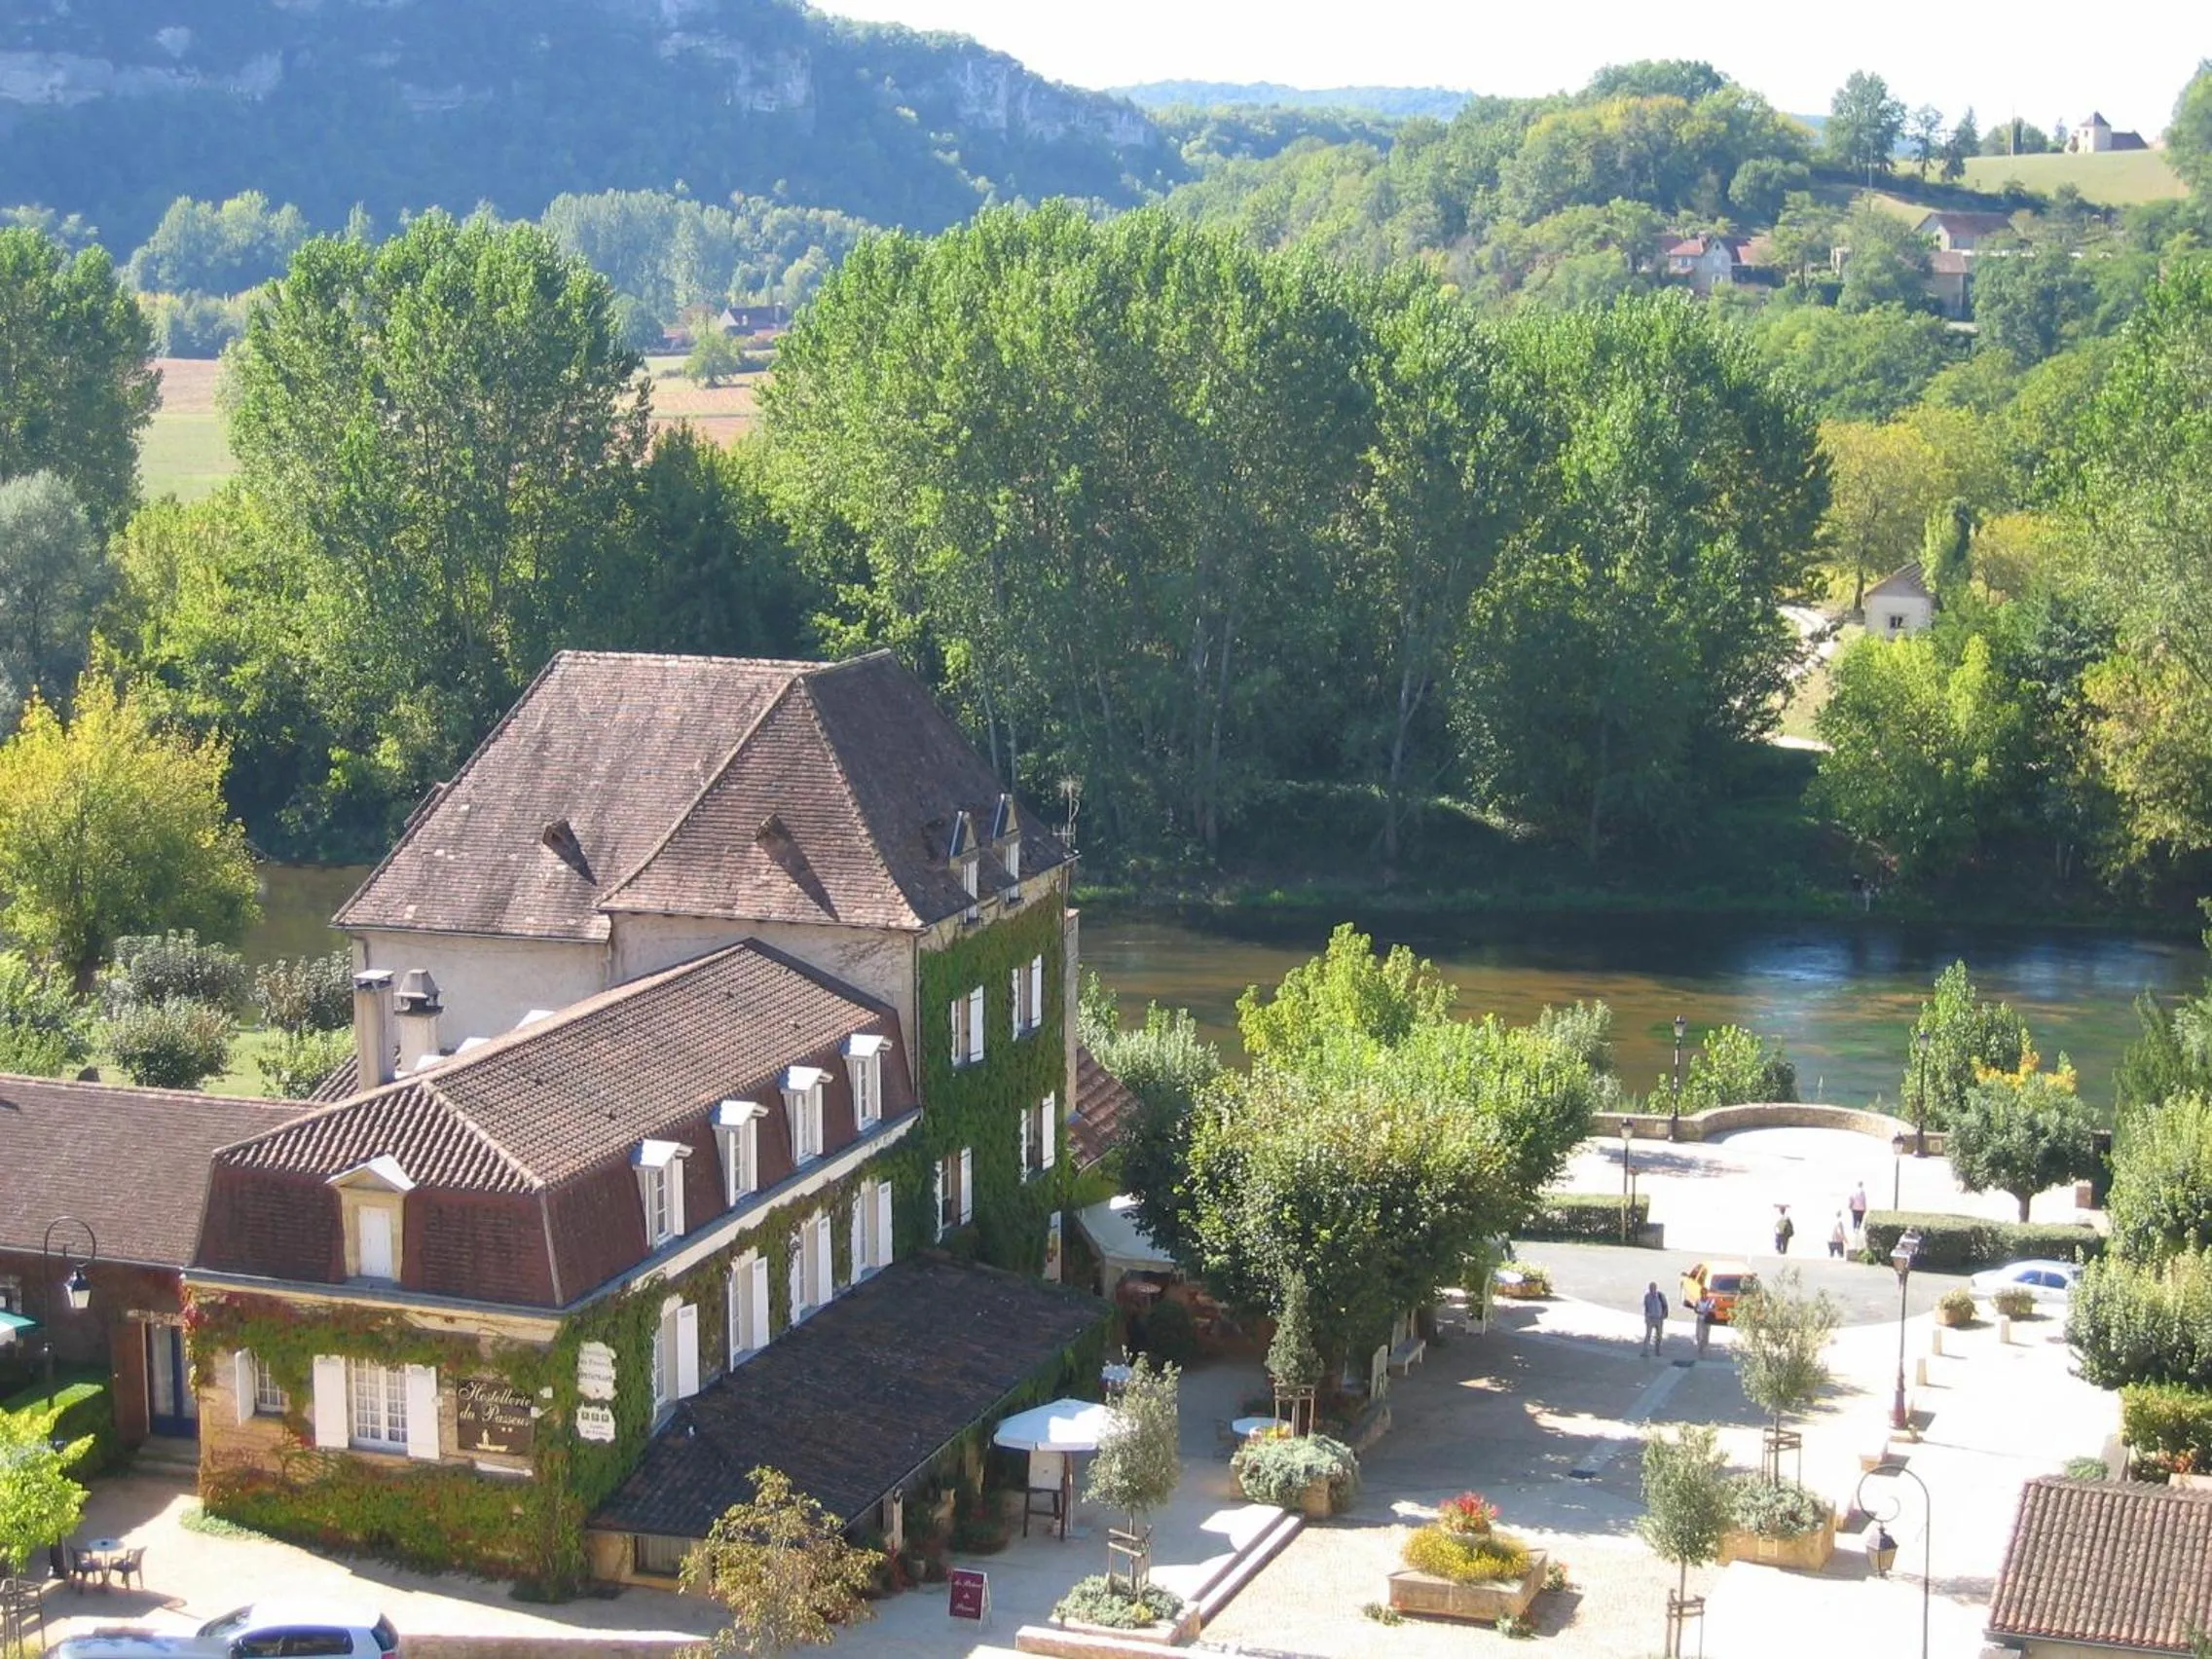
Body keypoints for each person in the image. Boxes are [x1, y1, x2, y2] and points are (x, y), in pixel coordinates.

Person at [1641, 1281, 1669, 1357]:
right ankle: (1645, 1351)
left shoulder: (1660, 1296)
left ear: (1656, 1288)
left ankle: (1657, 1351)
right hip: (1650, 1318)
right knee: (1648, 1335)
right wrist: (1646, 1318)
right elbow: (1646, 1308)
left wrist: (1663, 1316)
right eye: (1651, 1288)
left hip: (1659, 1319)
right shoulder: (1647, 1296)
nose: (1652, 1290)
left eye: (1653, 1288)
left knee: (1659, 1336)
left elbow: (1665, 1306)